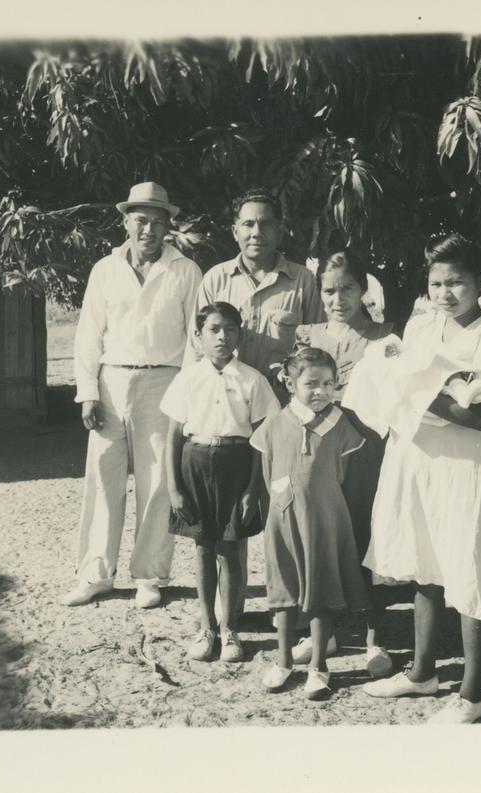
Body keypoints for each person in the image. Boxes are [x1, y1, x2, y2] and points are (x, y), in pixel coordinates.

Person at [359, 233, 481, 724]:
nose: (446, 293)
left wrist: (414, 388)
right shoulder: (424, 329)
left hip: (465, 467)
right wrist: (406, 383)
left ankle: (473, 696)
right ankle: (422, 673)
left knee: (469, 568)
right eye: (436, 283)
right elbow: (392, 381)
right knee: (425, 565)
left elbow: (480, 417)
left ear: (480, 283)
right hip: (419, 460)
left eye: (457, 283)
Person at [183, 187, 324, 622]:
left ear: (281, 230)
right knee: (233, 520)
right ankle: (231, 615)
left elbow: (317, 347)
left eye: (265, 223)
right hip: (231, 424)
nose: (256, 231)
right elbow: (198, 349)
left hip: (285, 418)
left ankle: (298, 610)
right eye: (247, 223)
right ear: (234, 230)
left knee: (290, 508)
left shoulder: (303, 280)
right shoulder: (215, 279)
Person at [62, 181, 202, 608]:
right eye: (141, 220)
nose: (149, 230)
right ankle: (95, 573)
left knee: (158, 481)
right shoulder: (105, 270)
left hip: (165, 382)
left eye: (158, 222)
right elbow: (88, 334)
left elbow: (195, 340)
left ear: (168, 227)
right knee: (103, 477)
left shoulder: (185, 271)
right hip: (111, 381)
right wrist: (88, 392)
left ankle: (149, 575)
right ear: (125, 222)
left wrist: (187, 399)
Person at [292, 250, 396, 679]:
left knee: (367, 539)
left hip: (367, 452)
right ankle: (324, 634)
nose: (338, 299)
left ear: (363, 289)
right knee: (320, 541)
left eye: (348, 288)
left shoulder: (385, 339)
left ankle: (377, 636)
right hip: (318, 453)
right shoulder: (308, 335)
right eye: (330, 290)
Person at [161, 302, 279, 663]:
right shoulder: (187, 378)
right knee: (202, 549)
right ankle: (206, 627)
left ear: (239, 334)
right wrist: (173, 486)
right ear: (198, 337)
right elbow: (173, 436)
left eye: (229, 329)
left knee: (230, 551)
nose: (222, 337)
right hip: (194, 465)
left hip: (236, 465)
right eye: (213, 329)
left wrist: (252, 490)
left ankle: (230, 630)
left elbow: (261, 440)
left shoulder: (251, 379)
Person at [250, 347, 370, 700]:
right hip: (283, 520)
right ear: (290, 383)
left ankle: (319, 665)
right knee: (284, 589)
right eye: (311, 383)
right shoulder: (274, 424)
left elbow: (344, 475)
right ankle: (284, 660)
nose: (320, 391)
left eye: (329, 384)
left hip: (324, 521)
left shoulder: (341, 426)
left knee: (322, 589)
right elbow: (267, 472)